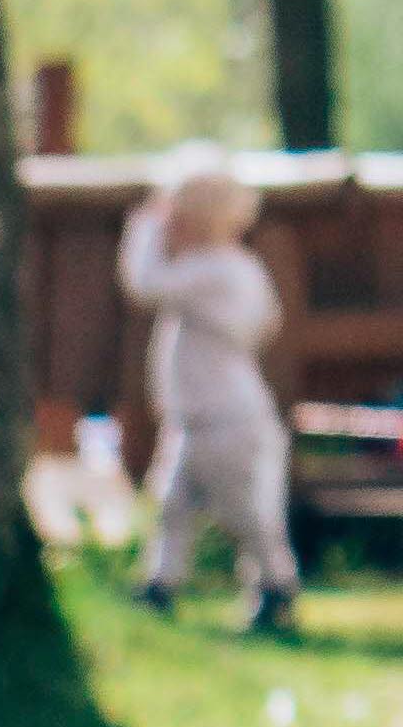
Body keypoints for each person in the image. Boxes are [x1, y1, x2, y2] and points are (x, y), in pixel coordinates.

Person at [121, 160, 300, 637]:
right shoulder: (241, 267)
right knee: (172, 505)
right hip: (199, 418)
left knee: (246, 512)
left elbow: (142, 284)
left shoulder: (211, 270)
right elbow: (270, 320)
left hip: (226, 419)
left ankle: (276, 584)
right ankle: (160, 582)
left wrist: (142, 227)